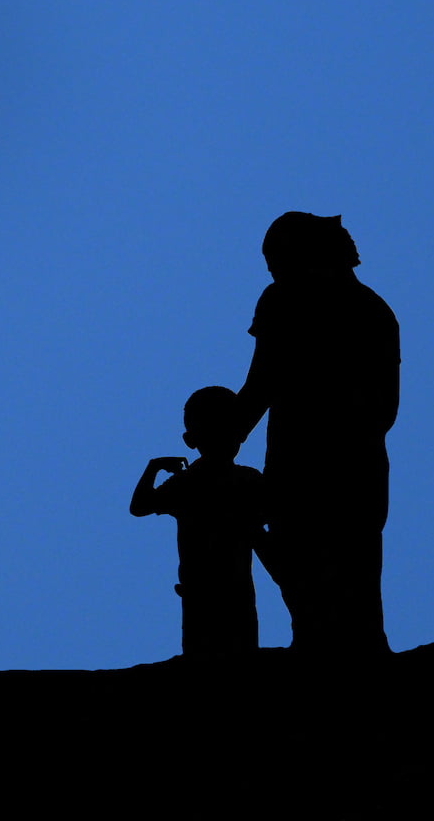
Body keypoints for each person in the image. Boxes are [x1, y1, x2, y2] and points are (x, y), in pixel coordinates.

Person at [233, 212, 399, 657]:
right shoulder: (374, 308)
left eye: (274, 259)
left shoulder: (285, 300)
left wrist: (226, 435)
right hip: (358, 456)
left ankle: (323, 649)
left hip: (304, 452)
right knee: (355, 561)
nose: (270, 270)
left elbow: (261, 382)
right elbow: (386, 408)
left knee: (309, 555)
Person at [131, 386, 268, 661]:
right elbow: (140, 507)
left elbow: (141, 506)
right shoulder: (236, 480)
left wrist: (154, 467)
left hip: (212, 589)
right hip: (220, 588)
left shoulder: (192, 482)